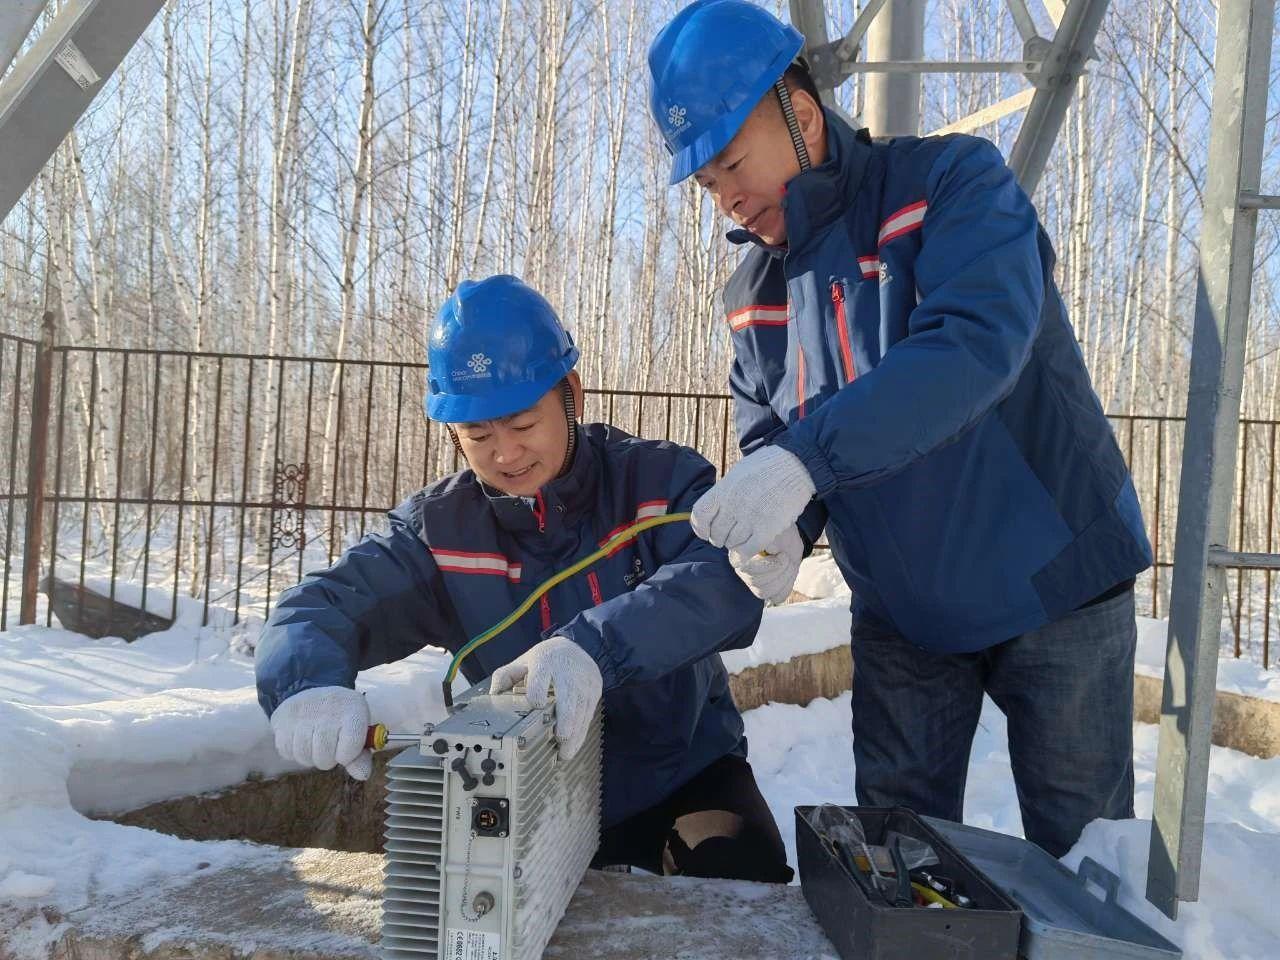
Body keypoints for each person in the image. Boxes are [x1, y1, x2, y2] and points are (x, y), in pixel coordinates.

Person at [647, 0, 1153, 858]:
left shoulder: (956, 185)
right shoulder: (752, 296)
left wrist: (804, 461)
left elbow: (970, 347)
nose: (724, 196)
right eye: (705, 183)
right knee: (899, 859)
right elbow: (774, 445)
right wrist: (779, 530)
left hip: (1054, 583)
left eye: (731, 162)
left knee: (1086, 863)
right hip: (906, 617)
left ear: (801, 116)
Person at [254, 274, 793, 883]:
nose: (504, 455)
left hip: (678, 774)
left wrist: (593, 651)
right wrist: (303, 683)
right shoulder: (439, 532)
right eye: (477, 435)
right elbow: (321, 606)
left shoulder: (657, 484)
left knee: (739, 876)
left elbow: (723, 584)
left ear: (571, 395)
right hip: (524, 789)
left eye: (521, 424)